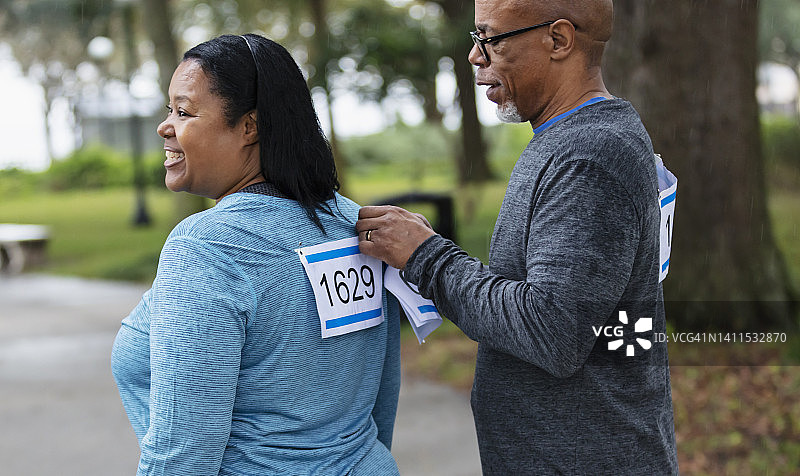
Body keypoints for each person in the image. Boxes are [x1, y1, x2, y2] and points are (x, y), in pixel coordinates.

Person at [356, 0, 678, 474]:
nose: (475, 56)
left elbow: (552, 331)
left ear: (558, 40)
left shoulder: (589, 156)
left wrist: (425, 257)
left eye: (490, 38)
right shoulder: (575, 136)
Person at [111, 34, 401, 475]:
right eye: (169, 110)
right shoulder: (358, 224)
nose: (165, 126)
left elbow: (184, 453)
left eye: (184, 112)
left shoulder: (207, 248)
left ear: (250, 126)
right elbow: (380, 401)